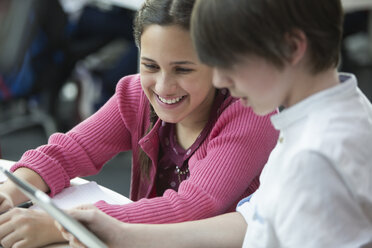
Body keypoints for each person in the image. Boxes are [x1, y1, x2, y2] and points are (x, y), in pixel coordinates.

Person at [57, 0, 372, 247]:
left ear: (291, 48)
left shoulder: (315, 157)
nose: (219, 79)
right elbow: (253, 221)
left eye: (230, 59)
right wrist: (123, 234)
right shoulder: (319, 117)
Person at [0, 0, 278, 247]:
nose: (164, 86)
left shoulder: (249, 113)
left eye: (183, 69)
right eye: (150, 66)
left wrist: (59, 225)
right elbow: (67, 152)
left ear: (218, 64)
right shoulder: (136, 94)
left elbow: (191, 208)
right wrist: (9, 193)